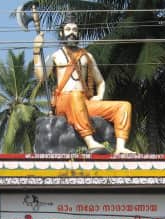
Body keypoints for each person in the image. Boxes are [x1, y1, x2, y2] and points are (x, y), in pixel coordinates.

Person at [33, 14, 134, 155]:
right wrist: (36, 52)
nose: (72, 33)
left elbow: (100, 82)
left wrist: (99, 96)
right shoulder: (56, 56)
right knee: (75, 96)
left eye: (75, 30)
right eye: (68, 29)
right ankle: (90, 142)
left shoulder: (87, 56)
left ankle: (120, 147)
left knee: (124, 106)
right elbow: (41, 77)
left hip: (84, 102)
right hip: (64, 101)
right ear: (61, 33)